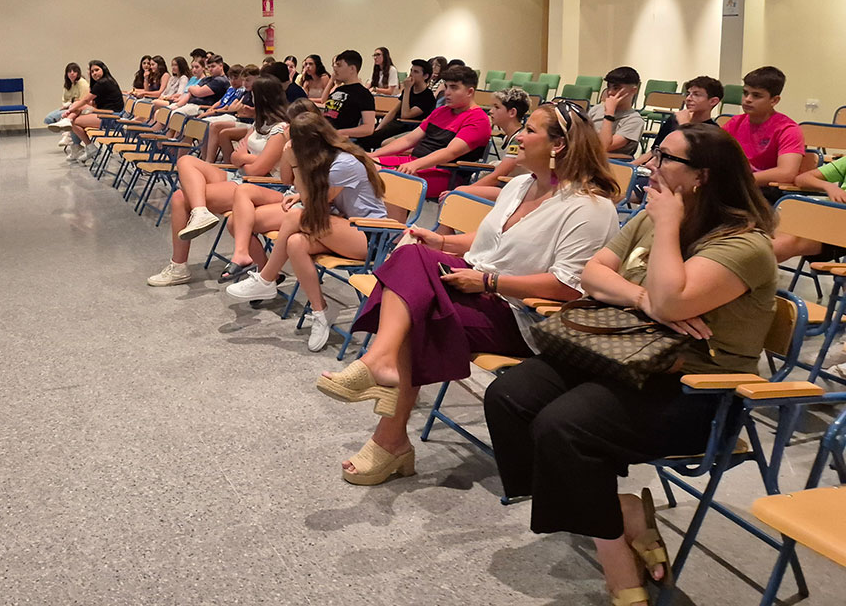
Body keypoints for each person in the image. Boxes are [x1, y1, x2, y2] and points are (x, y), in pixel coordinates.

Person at [482, 124, 778, 606]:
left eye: (665, 158)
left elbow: (671, 299)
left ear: (701, 177)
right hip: (626, 352)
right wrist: (644, 297)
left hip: (695, 389)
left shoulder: (743, 245)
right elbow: (593, 273)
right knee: (510, 397)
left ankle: (621, 571)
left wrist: (665, 231)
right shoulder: (650, 217)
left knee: (563, 428)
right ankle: (617, 511)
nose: (650, 165)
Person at [316, 101, 619, 484]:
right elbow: (491, 240)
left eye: (530, 130)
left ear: (558, 146)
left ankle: (388, 422)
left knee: (416, 311)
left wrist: (489, 283)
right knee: (413, 252)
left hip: (522, 315)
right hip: (478, 285)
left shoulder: (589, 207)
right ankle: (384, 378)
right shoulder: (523, 184)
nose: (518, 137)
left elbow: (568, 287)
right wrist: (442, 242)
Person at [225, 110, 388, 351]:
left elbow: (314, 207)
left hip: (371, 237)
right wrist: (300, 193)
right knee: (295, 244)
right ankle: (321, 311)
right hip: (343, 227)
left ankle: (266, 278)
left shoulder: (343, 164)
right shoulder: (329, 157)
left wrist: (293, 163)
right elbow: (307, 193)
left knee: (296, 216)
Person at [147, 76, 292, 287]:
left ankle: (179, 265)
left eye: (251, 96)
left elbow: (258, 168)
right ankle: (200, 211)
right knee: (187, 160)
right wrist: (246, 159)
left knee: (180, 197)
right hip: (243, 176)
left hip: (261, 185)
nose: (245, 102)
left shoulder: (281, 129)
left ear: (262, 98)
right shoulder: (259, 124)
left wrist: (245, 159)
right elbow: (234, 157)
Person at [371, 63, 491, 198]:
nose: (447, 92)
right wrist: (372, 156)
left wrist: (416, 164)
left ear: (470, 92)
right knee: (364, 166)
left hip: (446, 173)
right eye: (446, 87)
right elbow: (408, 139)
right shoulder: (441, 111)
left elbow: (450, 152)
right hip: (415, 162)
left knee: (392, 181)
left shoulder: (478, 119)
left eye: (454, 88)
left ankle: (388, 219)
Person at [723, 66, 806, 191]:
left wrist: (739, 180)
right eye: (745, 93)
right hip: (737, 187)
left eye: (756, 95)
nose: (748, 99)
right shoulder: (735, 122)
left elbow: (786, 173)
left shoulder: (788, 129)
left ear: (774, 100)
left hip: (764, 191)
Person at [452, 86, 532, 198]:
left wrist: (466, 190)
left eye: (497, 107)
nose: (490, 111)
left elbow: (498, 176)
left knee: (458, 193)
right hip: (507, 185)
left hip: (518, 192)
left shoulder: (518, 140)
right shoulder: (509, 137)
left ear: (512, 112)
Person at [633, 76, 723, 165]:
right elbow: (654, 151)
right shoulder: (674, 119)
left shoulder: (712, 132)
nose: (688, 99)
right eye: (688, 94)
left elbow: (691, 158)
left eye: (696, 94)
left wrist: (684, 125)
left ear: (713, 101)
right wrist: (631, 166)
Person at [359, 60, 437, 151]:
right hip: (395, 124)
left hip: (406, 128)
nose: (411, 74)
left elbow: (406, 115)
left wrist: (407, 89)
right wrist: (378, 128)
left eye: (416, 72)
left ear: (426, 76)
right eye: (411, 70)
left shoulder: (427, 96)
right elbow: (394, 111)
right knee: (366, 135)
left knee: (366, 139)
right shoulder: (409, 90)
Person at [62, 60, 126, 163]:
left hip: (112, 118)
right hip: (104, 113)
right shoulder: (100, 83)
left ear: (103, 69)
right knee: (77, 111)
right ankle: (88, 147)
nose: (94, 73)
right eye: (92, 71)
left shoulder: (104, 82)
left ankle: (89, 146)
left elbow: (86, 100)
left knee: (73, 121)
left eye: (97, 70)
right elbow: (93, 103)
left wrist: (70, 109)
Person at [322, 50, 377, 139]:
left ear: (352, 69)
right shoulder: (338, 89)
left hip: (340, 139)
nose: (335, 69)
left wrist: (339, 133)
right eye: (335, 65)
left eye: (339, 65)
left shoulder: (364, 94)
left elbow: (368, 128)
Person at [594, 66, 644, 156]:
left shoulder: (634, 120)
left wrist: (609, 114)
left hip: (609, 165)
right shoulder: (596, 109)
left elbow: (602, 147)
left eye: (616, 88)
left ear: (633, 90)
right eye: (608, 87)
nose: (610, 92)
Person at [45, 62, 87, 148]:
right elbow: (64, 100)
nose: (72, 73)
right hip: (69, 107)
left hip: (80, 109)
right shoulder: (67, 84)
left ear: (78, 73)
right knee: (49, 119)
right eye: (69, 71)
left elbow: (83, 100)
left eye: (74, 71)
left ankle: (72, 140)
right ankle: (67, 134)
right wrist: (68, 104)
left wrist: (72, 104)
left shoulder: (82, 83)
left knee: (71, 121)